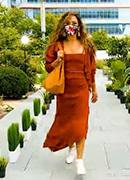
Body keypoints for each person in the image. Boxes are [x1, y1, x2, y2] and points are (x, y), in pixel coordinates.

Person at [42, 11, 98, 175]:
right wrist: (58, 60)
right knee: (67, 122)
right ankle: (71, 148)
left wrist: (94, 89)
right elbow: (48, 67)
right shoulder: (56, 46)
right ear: (63, 26)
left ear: (79, 26)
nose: (71, 26)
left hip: (81, 89)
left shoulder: (86, 46)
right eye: (68, 23)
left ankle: (80, 160)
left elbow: (92, 70)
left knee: (80, 124)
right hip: (64, 91)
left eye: (74, 23)